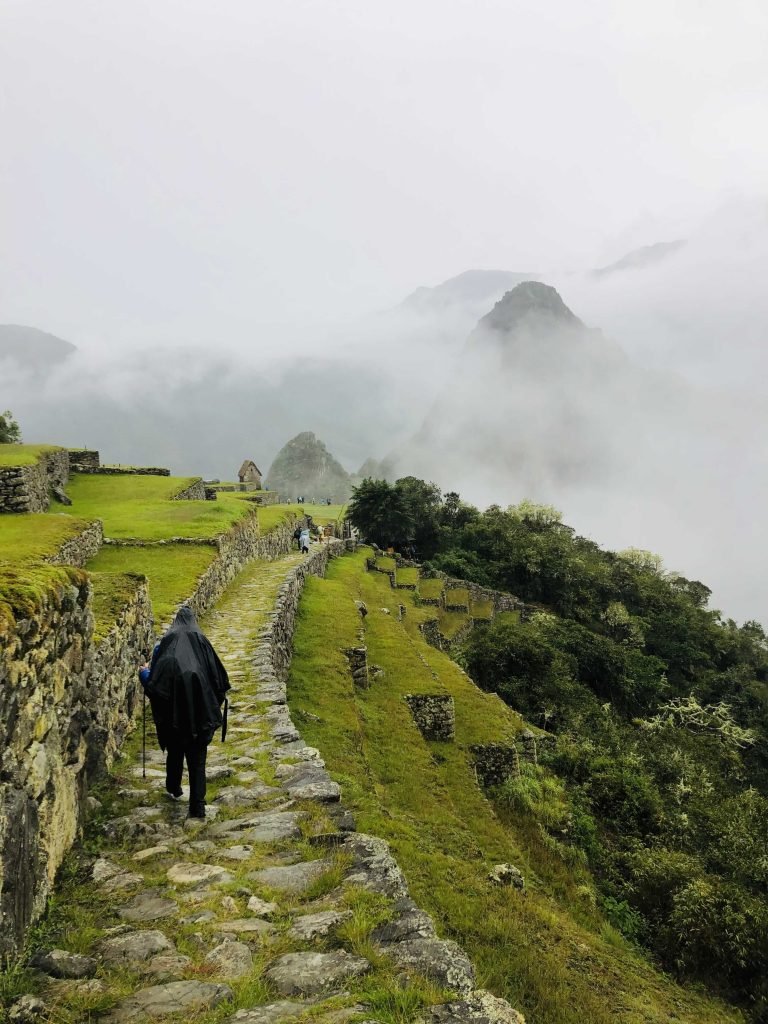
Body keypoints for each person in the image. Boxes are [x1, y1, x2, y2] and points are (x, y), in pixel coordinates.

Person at [139, 606, 230, 820]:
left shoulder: (165, 646)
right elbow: (220, 680)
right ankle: (197, 808)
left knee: (175, 751)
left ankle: (174, 787)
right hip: (201, 717)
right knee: (198, 761)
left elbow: (154, 684)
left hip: (173, 718)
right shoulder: (202, 643)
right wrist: (212, 705)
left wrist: (143, 672)